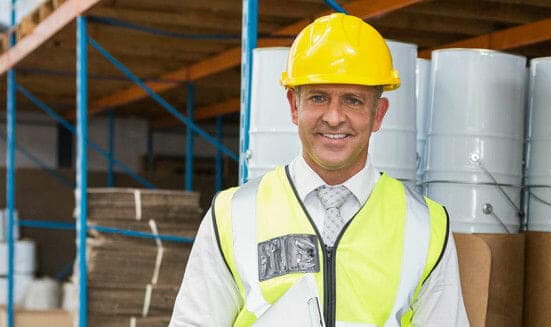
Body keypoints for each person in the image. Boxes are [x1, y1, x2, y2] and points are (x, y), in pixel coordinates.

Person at [170, 13, 469, 327]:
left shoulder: (426, 226)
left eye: (353, 100)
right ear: (294, 107)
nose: (334, 117)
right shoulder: (232, 215)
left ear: (378, 114)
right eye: (318, 97)